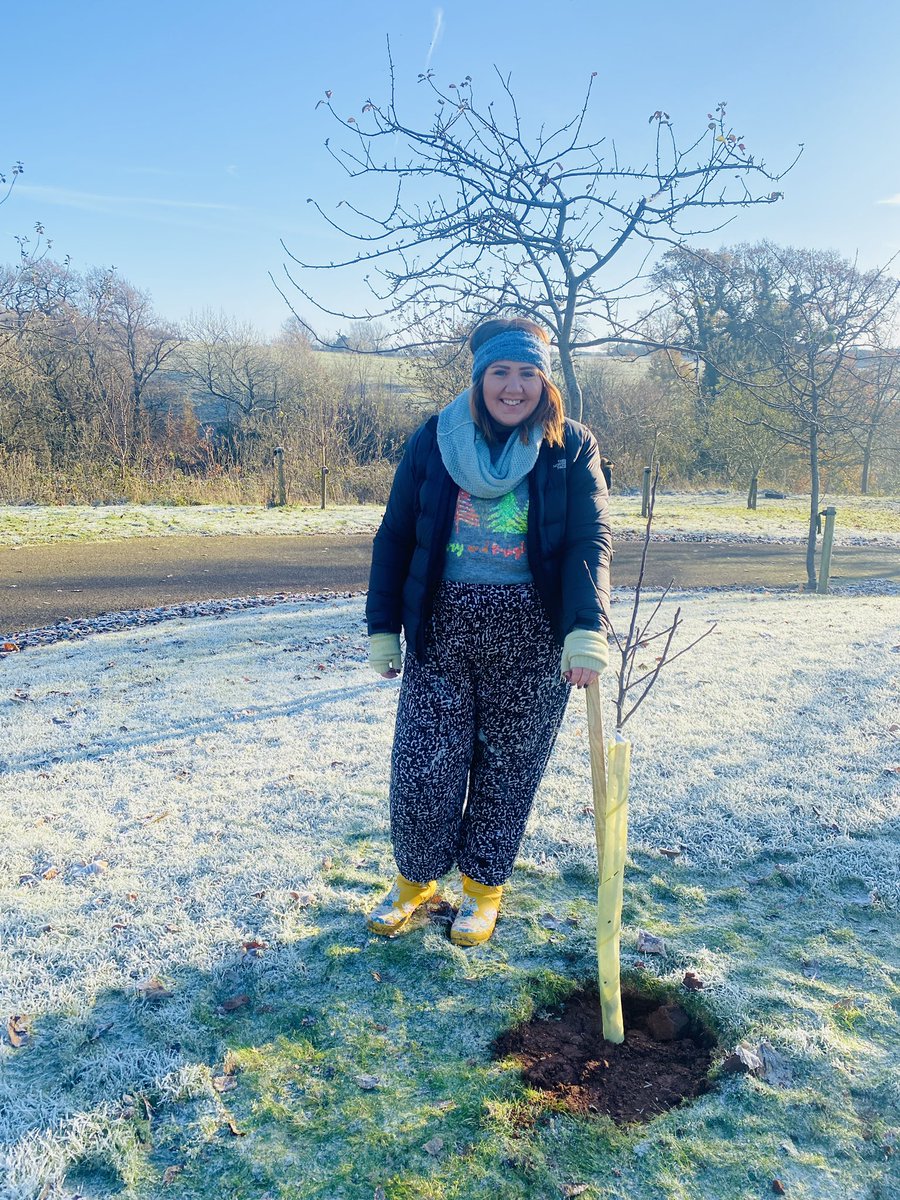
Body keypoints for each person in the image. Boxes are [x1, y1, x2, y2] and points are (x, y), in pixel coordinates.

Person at [365, 317, 612, 946]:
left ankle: (483, 889)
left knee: (509, 769)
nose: (513, 386)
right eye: (500, 371)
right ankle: (415, 880)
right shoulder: (433, 440)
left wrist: (586, 628)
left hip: (532, 636)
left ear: (545, 382)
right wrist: (382, 625)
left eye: (528, 373)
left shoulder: (571, 447)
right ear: (479, 378)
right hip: (441, 629)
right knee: (425, 768)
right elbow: (395, 534)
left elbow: (590, 540)